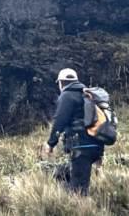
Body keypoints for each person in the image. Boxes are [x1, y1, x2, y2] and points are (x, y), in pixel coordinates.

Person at [42, 68, 105, 196]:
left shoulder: (67, 96)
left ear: (61, 83)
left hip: (81, 147)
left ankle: (81, 209)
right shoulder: (87, 94)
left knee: (78, 191)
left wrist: (50, 144)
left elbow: (60, 120)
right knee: (66, 176)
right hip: (96, 145)